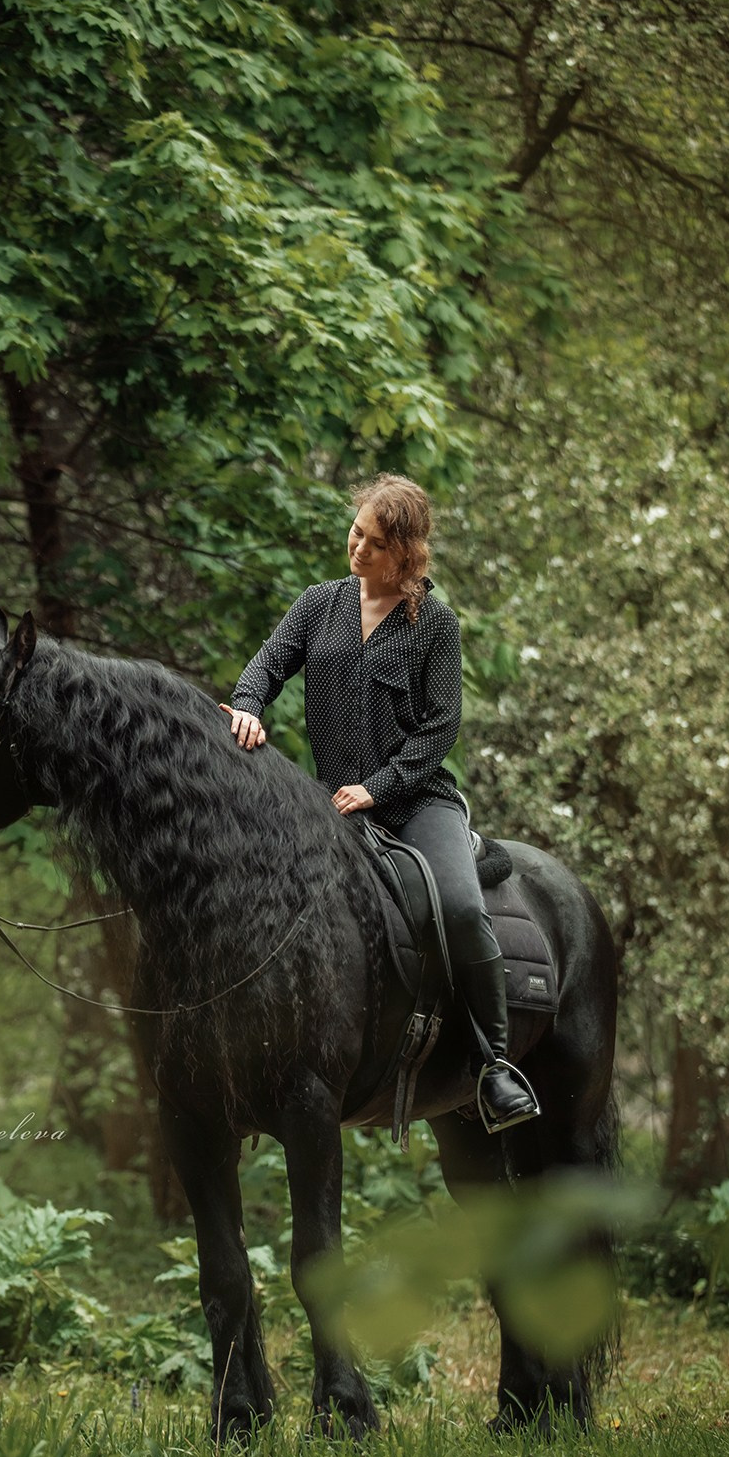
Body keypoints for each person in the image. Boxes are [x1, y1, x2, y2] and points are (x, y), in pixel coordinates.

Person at [222, 473, 539, 1132]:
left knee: (456, 904)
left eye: (372, 541)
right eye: (355, 531)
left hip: (417, 800)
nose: (357, 547)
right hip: (331, 799)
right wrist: (248, 708)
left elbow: (439, 728)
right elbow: (265, 667)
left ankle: (496, 1065)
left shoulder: (435, 623)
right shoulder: (318, 604)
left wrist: (380, 786)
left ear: (405, 555)